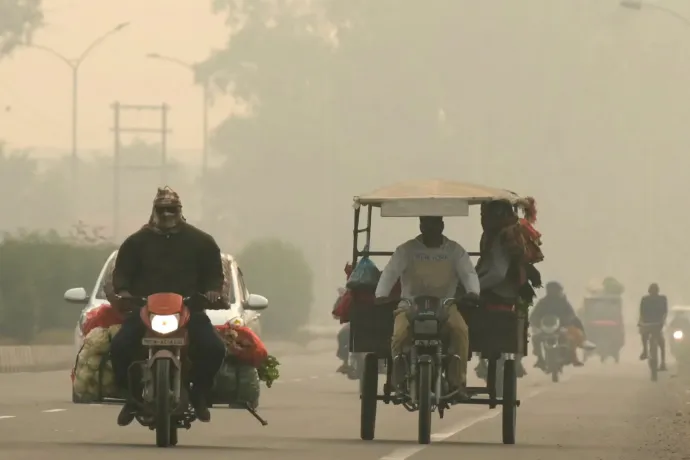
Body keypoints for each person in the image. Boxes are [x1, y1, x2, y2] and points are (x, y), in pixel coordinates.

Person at [109, 187, 227, 427]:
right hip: (145, 310)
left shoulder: (201, 241)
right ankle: (130, 397)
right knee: (119, 346)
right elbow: (121, 274)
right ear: (154, 211)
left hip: (189, 309)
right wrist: (123, 293)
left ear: (180, 211)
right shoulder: (136, 242)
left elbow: (214, 274)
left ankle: (200, 392)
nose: (167, 214)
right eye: (162, 210)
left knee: (215, 348)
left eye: (171, 209)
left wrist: (213, 292)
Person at [375, 216, 481, 399]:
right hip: (410, 304)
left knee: (460, 331)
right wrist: (381, 294)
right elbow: (390, 272)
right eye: (425, 224)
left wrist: (473, 292)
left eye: (434, 224)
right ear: (420, 226)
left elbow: (468, 273)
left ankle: (457, 383)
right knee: (399, 336)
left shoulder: (455, 251)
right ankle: (399, 382)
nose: (429, 228)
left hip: (445, 304)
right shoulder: (407, 250)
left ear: (442, 226)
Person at [474, 198, 545, 377]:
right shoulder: (504, 232)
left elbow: (497, 272)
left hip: (500, 288)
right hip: (515, 287)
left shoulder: (501, 235)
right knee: (520, 318)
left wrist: (472, 287)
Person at [530, 281, 595, 368]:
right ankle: (540, 359)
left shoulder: (563, 302)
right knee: (536, 338)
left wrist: (567, 320)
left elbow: (572, 314)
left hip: (562, 326)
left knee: (571, 339)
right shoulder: (543, 302)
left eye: (556, 290)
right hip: (546, 328)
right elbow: (534, 315)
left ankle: (574, 357)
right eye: (553, 290)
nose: (555, 292)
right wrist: (535, 323)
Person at [638, 283, 668, 370]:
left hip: (649, 324)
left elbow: (641, 313)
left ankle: (645, 351)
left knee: (644, 336)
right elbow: (665, 312)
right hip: (657, 325)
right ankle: (662, 362)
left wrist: (641, 322)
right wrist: (662, 321)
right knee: (661, 344)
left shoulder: (645, 299)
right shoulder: (662, 299)